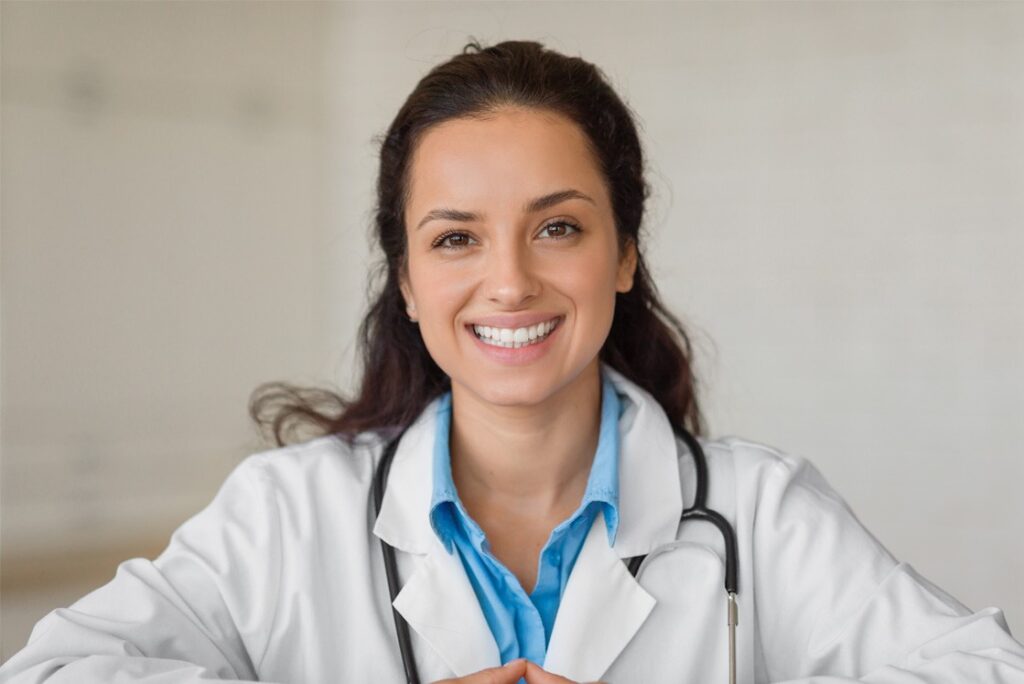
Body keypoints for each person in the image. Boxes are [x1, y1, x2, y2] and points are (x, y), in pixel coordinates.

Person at [2, 40, 1022, 684]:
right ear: (404, 278)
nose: (508, 283)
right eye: (455, 238)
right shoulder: (286, 514)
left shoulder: (758, 511)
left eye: (558, 228)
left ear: (623, 252)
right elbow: (56, 671)